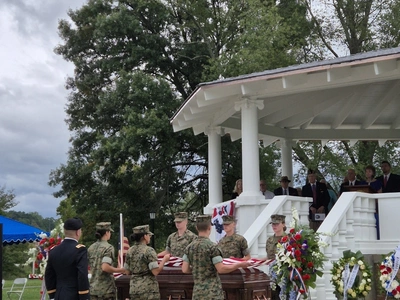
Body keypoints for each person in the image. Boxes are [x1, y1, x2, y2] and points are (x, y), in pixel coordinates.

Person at [182, 215, 252, 300]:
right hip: (213, 293)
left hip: (197, 293)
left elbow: (184, 269)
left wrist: (198, 269)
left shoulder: (189, 247)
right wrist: (238, 265)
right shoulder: (213, 247)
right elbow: (221, 269)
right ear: (209, 228)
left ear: (197, 228)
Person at [45, 217, 90, 300]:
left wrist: (52, 295)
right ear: (78, 232)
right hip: (75, 296)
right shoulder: (80, 250)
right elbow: (82, 274)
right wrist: (84, 296)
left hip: (58, 295)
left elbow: (49, 275)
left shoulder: (54, 250)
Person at [124, 225, 170, 300]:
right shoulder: (149, 250)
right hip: (148, 290)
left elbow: (127, 271)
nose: (150, 237)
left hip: (134, 289)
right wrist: (164, 260)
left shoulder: (129, 251)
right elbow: (155, 271)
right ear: (145, 236)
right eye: (149, 235)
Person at [88, 222, 126, 300]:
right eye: (109, 232)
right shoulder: (108, 248)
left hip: (93, 289)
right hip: (106, 290)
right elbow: (105, 267)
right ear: (106, 233)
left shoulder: (91, 248)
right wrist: (120, 270)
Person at [265, 214, 286, 300]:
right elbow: (269, 258)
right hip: (273, 275)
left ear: (283, 224)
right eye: (273, 224)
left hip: (285, 275)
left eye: (277, 224)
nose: (274, 226)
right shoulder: (269, 240)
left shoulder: (289, 238)